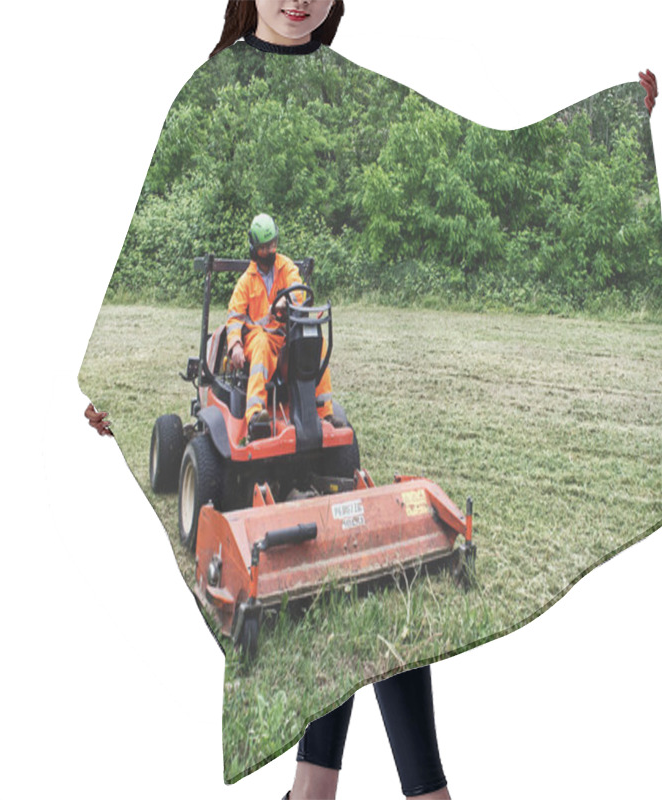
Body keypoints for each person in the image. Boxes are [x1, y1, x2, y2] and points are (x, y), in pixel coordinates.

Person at [213, 5, 453, 799]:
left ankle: (314, 791)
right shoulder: (249, 280)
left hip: (291, 354)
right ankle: (258, 423)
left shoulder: (359, 83)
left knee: (307, 373)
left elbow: (296, 297)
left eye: (274, 251)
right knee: (256, 359)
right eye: (262, 251)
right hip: (254, 352)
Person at [226, 212, 340, 438]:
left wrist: (286, 300)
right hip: (259, 340)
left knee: (317, 342)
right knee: (260, 344)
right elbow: (234, 319)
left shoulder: (285, 266)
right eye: (264, 247)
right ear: (254, 248)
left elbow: (298, 290)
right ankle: (255, 415)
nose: (269, 251)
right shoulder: (245, 283)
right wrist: (235, 346)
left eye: (273, 245)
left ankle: (324, 412)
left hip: (285, 336)